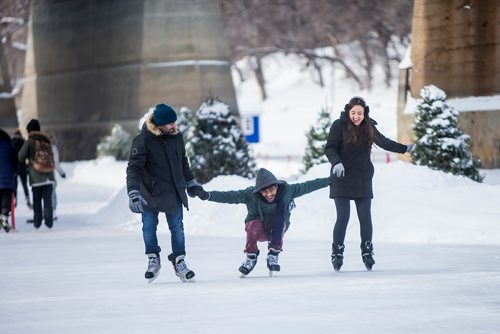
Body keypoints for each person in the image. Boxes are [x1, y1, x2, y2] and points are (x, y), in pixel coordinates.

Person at [324, 96, 413, 271]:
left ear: (365, 114)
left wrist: (404, 148)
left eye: (360, 113)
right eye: (353, 113)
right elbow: (330, 148)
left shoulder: (368, 127)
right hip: (341, 177)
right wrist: (337, 162)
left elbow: (384, 142)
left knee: (365, 218)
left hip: (363, 179)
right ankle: (337, 253)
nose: (356, 116)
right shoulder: (338, 125)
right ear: (348, 112)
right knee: (343, 217)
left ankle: (367, 252)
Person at [192, 168, 330, 277]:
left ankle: (273, 254)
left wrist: (329, 180)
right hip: (258, 229)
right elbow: (229, 196)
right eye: (265, 192)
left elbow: (309, 186)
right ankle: (251, 256)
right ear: (259, 191)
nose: (269, 194)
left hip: (277, 228)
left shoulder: (288, 191)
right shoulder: (250, 195)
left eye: (272, 190)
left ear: (276, 186)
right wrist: (208, 195)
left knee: (279, 222)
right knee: (253, 226)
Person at [126, 103, 203, 283]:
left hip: (173, 191)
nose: (173, 126)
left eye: (174, 122)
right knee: (148, 228)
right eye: (169, 124)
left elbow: (183, 161)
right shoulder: (142, 141)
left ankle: (179, 262)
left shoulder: (177, 137)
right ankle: (153, 259)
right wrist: (133, 192)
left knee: (177, 228)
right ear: (158, 124)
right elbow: (133, 169)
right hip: (150, 193)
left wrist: (190, 182)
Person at [18, 119, 56, 229]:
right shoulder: (46, 139)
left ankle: (37, 222)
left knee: (37, 200)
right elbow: (52, 156)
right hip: (49, 175)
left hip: (36, 177)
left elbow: (20, 157)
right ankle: (49, 222)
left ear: (29, 130)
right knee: (47, 200)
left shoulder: (29, 142)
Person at [0, 128, 18, 233]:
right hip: (7, 177)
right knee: (6, 197)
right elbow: (15, 161)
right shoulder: (9, 146)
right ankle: (4, 216)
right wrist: (15, 171)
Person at [11, 128, 32, 209]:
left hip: (14, 168)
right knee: (24, 185)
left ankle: (15, 201)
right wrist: (27, 167)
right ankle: (27, 199)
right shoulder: (24, 143)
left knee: (14, 185)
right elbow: (27, 156)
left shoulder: (11, 143)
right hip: (22, 166)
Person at [49, 134, 66, 220]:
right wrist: (62, 173)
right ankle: (52, 213)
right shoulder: (53, 149)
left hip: (40, 176)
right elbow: (56, 163)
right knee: (52, 193)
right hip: (50, 175)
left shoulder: (39, 149)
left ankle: (43, 213)